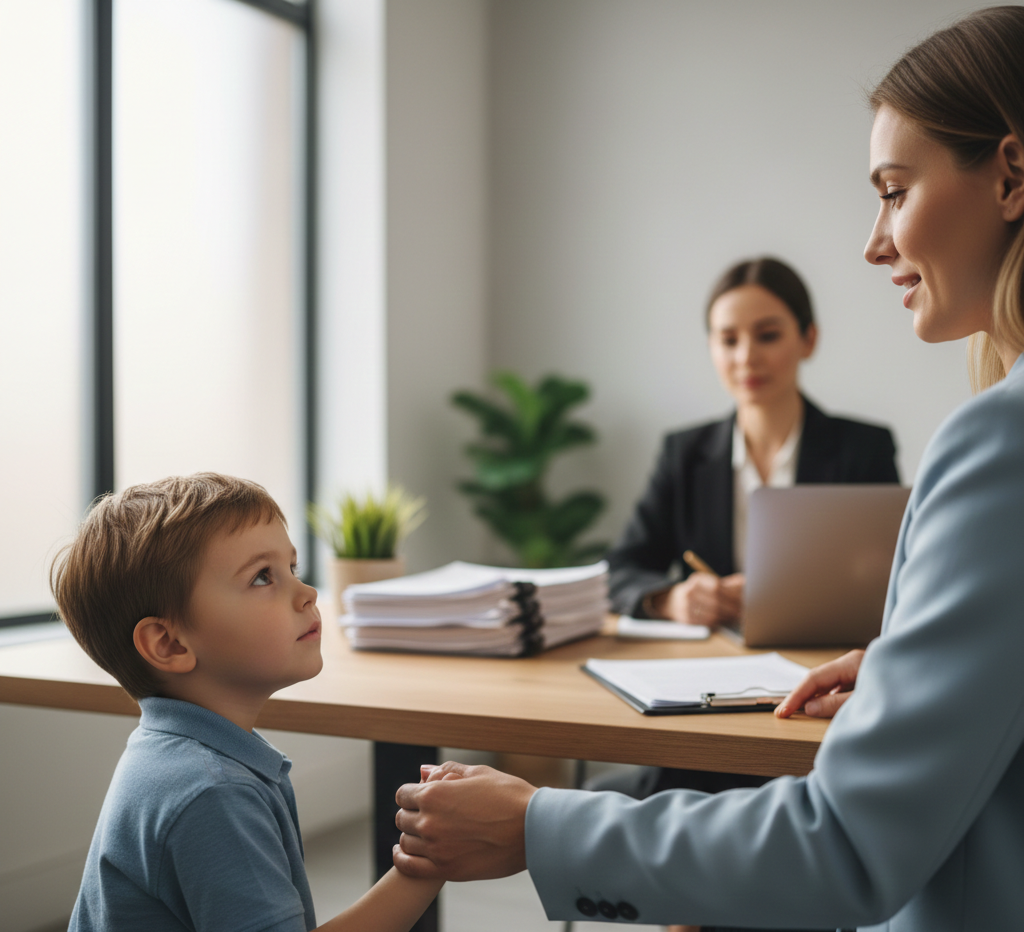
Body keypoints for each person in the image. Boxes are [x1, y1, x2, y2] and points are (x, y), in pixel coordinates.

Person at [391, 7, 1024, 930]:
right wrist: (908, 666)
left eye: (893, 190)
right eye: (727, 338)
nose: (874, 240)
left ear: (1011, 174)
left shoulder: (993, 444)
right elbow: (631, 560)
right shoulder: (688, 451)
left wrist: (539, 824)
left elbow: (846, 844)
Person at [52, 473, 442, 932]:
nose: (307, 593)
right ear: (169, 643)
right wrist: (426, 864)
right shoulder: (211, 793)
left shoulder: (177, 758)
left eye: (292, 569)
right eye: (262, 577)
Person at [609, 256, 899, 629]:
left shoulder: (864, 449)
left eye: (768, 336)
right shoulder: (682, 454)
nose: (746, 357)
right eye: (728, 340)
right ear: (711, 348)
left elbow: (896, 575)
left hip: (823, 658)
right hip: (709, 664)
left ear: (808, 339)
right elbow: (620, 569)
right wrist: (671, 599)